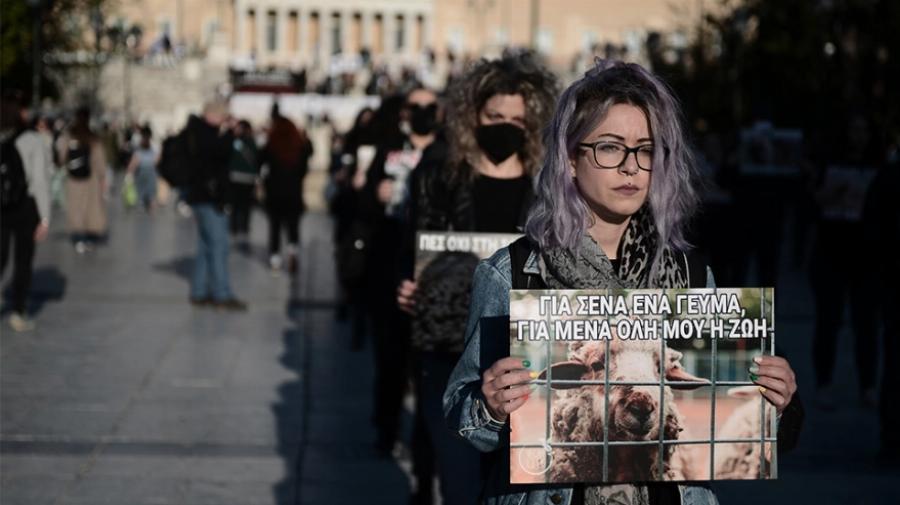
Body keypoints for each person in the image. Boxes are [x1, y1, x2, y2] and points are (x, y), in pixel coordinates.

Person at [443, 60, 803, 505]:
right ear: (570, 159)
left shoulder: (690, 276)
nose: (631, 167)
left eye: (645, 149)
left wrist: (780, 401)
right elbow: (462, 413)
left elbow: (756, 431)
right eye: (610, 148)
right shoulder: (512, 272)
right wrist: (490, 406)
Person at [398, 50, 559, 505]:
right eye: (494, 116)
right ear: (473, 116)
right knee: (460, 480)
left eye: (516, 118)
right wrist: (407, 285)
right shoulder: (439, 175)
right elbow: (409, 246)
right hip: (447, 350)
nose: (505, 125)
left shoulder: (548, 188)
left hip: (526, 361)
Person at [184, 99, 247, 310]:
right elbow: (220, 154)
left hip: (200, 197)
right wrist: (229, 133)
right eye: (223, 116)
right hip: (211, 198)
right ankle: (222, 294)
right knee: (219, 246)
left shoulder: (195, 131)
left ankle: (199, 291)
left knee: (205, 246)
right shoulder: (206, 133)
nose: (224, 120)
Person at [1, 92, 53, 332]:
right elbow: (41, 180)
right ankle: (19, 312)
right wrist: (45, 217)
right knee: (23, 260)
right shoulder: (33, 139)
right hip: (26, 206)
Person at [260, 107, 313, 273]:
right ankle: (292, 252)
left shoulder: (271, 146)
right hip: (293, 193)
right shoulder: (299, 148)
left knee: (275, 227)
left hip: (274, 193)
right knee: (293, 226)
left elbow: (260, 163)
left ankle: (275, 259)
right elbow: (304, 169)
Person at [57, 106, 107, 253]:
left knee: (75, 207)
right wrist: (103, 178)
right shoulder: (93, 137)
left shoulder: (69, 135)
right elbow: (100, 161)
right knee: (90, 207)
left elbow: (61, 156)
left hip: (73, 179)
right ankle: (89, 237)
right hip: (91, 179)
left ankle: (78, 238)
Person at [228, 119, 259, 249]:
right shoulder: (252, 143)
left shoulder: (236, 142)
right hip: (248, 179)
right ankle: (243, 228)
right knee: (245, 206)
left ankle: (235, 227)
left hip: (236, 177)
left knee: (237, 205)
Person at [125, 126, 159, 211]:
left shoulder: (139, 149)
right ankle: (152, 208)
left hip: (141, 171)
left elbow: (134, 162)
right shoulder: (154, 147)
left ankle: (141, 205)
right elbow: (156, 160)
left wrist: (129, 172)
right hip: (151, 172)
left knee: (140, 189)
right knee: (151, 192)